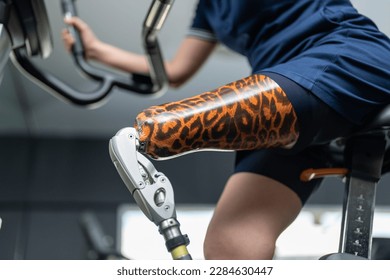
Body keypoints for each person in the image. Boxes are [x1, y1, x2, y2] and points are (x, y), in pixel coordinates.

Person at [62, 0, 390, 259]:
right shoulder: (209, 8)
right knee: (228, 246)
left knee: (162, 129)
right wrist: (97, 52)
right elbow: (174, 72)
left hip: (341, 56)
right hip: (282, 91)